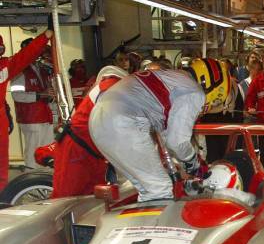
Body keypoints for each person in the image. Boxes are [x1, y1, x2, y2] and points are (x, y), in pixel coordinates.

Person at [89, 62, 221, 201]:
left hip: (98, 120)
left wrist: (182, 166)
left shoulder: (171, 78)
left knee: (148, 190)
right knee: (160, 189)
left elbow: (166, 135)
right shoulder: (193, 90)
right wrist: (193, 163)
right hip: (123, 121)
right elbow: (176, 142)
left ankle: (141, 222)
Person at [46, 65, 127, 198]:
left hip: (92, 152)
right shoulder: (113, 86)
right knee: (65, 201)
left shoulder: (116, 86)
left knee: (95, 200)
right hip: (78, 150)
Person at [0, 30, 54, 190]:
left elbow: (26, 55)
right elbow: (25, 56)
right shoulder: (5, 67)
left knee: (2, 164)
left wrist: (45, 37)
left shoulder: (5, 66)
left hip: (4, 118)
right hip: (28, 118)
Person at [10, 37, 56, 168]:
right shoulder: (19, 70)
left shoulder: (42, 69)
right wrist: (42, 94)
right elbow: (17, 96)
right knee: (33, 152)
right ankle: (30, 181)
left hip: (45, 116)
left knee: (47, 152)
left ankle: (45, 183)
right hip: (31, 119)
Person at [237, 60, 262, 125]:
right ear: (250, 69)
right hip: (248, 121)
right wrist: (245, 113)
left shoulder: (262, 84)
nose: (257, 72)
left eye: (259, 70)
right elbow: (239, 106)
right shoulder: (241, 85)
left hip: (261, 120)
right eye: (255, 69)